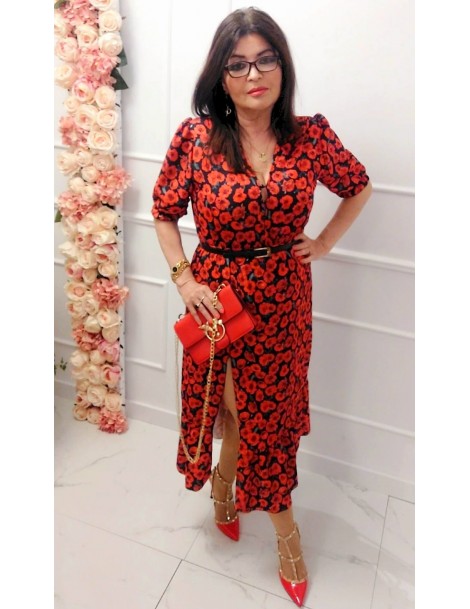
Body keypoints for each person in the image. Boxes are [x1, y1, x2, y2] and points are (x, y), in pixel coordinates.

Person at [152, 7, 372, 606]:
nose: (254, 74)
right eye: (238, 64)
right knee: (239, 414)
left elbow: (357, 186)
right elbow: (164, 213)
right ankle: (284, 532)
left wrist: (323, 243)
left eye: (265, 59)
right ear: (220, 77)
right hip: (217, 301)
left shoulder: (312, 136)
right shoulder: (195, 138)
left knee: (268, 417)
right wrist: (184, 280)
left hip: (284, 300)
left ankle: (229, 489)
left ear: (283, 65)